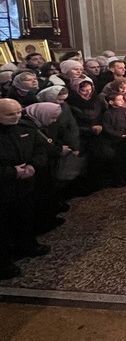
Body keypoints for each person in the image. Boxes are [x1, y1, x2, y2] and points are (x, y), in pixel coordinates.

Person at [0, 98, 51, 279]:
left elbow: (41, 149)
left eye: (18, 112)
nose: (15, 117)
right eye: (9, 114)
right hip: (3, 187)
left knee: (25, 217)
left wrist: (33, 166)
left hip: (25, 184)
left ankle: (27, 245)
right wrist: (12, 172)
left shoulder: (26, 127)